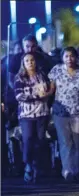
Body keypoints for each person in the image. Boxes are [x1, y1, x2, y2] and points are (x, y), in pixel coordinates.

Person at [48, 47, 79, 181]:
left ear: (76, 57)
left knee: (76, 142)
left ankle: (76, 170)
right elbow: (51, 90)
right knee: (65, 142)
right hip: (60, 112)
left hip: (76, 112)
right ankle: (67, 171)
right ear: (62, 58)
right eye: (66, 56)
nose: (69, 59)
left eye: (72, 56)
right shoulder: (56, 70)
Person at [14, 52, 52, 182]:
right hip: (27, 115)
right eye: (27, 61)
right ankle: (28, 165)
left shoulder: (41, 75)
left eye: (32, 60)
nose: (30, 62)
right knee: (28, 139)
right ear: (23, 64)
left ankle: (37, 167)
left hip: (42, 113)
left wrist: (47, 93)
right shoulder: (19, 78)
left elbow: (47, 91)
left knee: (40, 141)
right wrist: (37, 96)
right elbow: (19, 96)